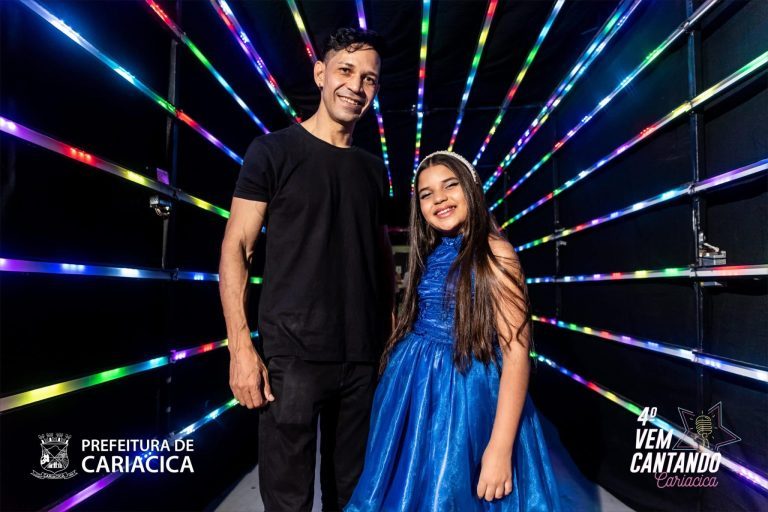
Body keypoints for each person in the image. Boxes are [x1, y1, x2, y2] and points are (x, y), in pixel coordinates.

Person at [219, 28, 394, 512]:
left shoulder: (372, 169)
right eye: (345, 71)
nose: (356, 86)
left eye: (369, 78)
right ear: (320, 74)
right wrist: (240, 348)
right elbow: (237, 248)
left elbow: (380, 253)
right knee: (288, 499)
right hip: (292, 358)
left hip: (362, 358)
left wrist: (390, 332)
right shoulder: (272, 151)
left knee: (354, 497)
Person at [345, 151, 561, 511]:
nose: (439, 199)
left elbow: (516, 352)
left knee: (452, 491)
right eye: (426, 194)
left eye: (450, 186)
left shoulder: (496, 253)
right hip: (414, 390)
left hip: (466, 395)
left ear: (471, 188)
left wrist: (500, 447)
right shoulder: (432, 251)